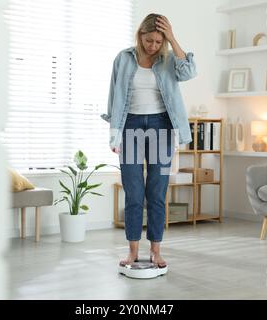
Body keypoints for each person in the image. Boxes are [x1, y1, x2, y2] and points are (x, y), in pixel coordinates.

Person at [100, 13, 197, 268]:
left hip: (161, 128)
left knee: (156, 192)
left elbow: (189, 72)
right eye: (148, 40)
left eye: (157, 41)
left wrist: (173, 38)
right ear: (139, 35)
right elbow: (114, 97)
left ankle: (156, 250)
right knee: (133, 192)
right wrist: (114, 133)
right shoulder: (123, 58)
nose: (152, 46)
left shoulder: (168, 60)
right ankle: (132, 250)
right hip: (130, 127)